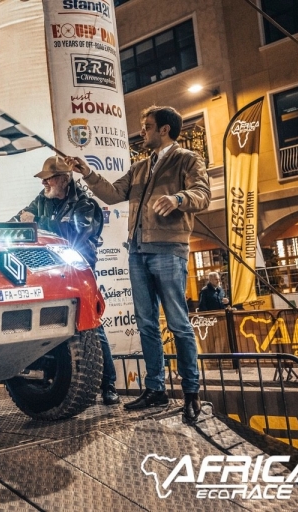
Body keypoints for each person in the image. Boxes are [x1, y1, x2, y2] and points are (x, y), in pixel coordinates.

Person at [68, 105, 211, 424]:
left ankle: (191, 393)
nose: (142, 131)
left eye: (147, 126)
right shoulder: (140, 168)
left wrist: (178, 199)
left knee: (179, 323)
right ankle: (156, 389)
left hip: (169, 249)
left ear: (164, 129)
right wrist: (87, 172)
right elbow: (112, 193)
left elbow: (203, 194)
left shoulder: (187, 159)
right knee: (147, 324)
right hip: (137, 251)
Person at [11, 155, 120, 406]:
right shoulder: (42, 200)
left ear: (63, 179)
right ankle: (55, 382)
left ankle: (108, 384)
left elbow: (73, 234)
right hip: (48, 272)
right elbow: (18, 219)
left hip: (76, 274)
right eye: (43, 179)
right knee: (50, 325)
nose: (44, 183)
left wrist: (36, 223)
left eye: (48, 178)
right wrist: (16, 223)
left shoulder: (85, 204)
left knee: (92, 325)